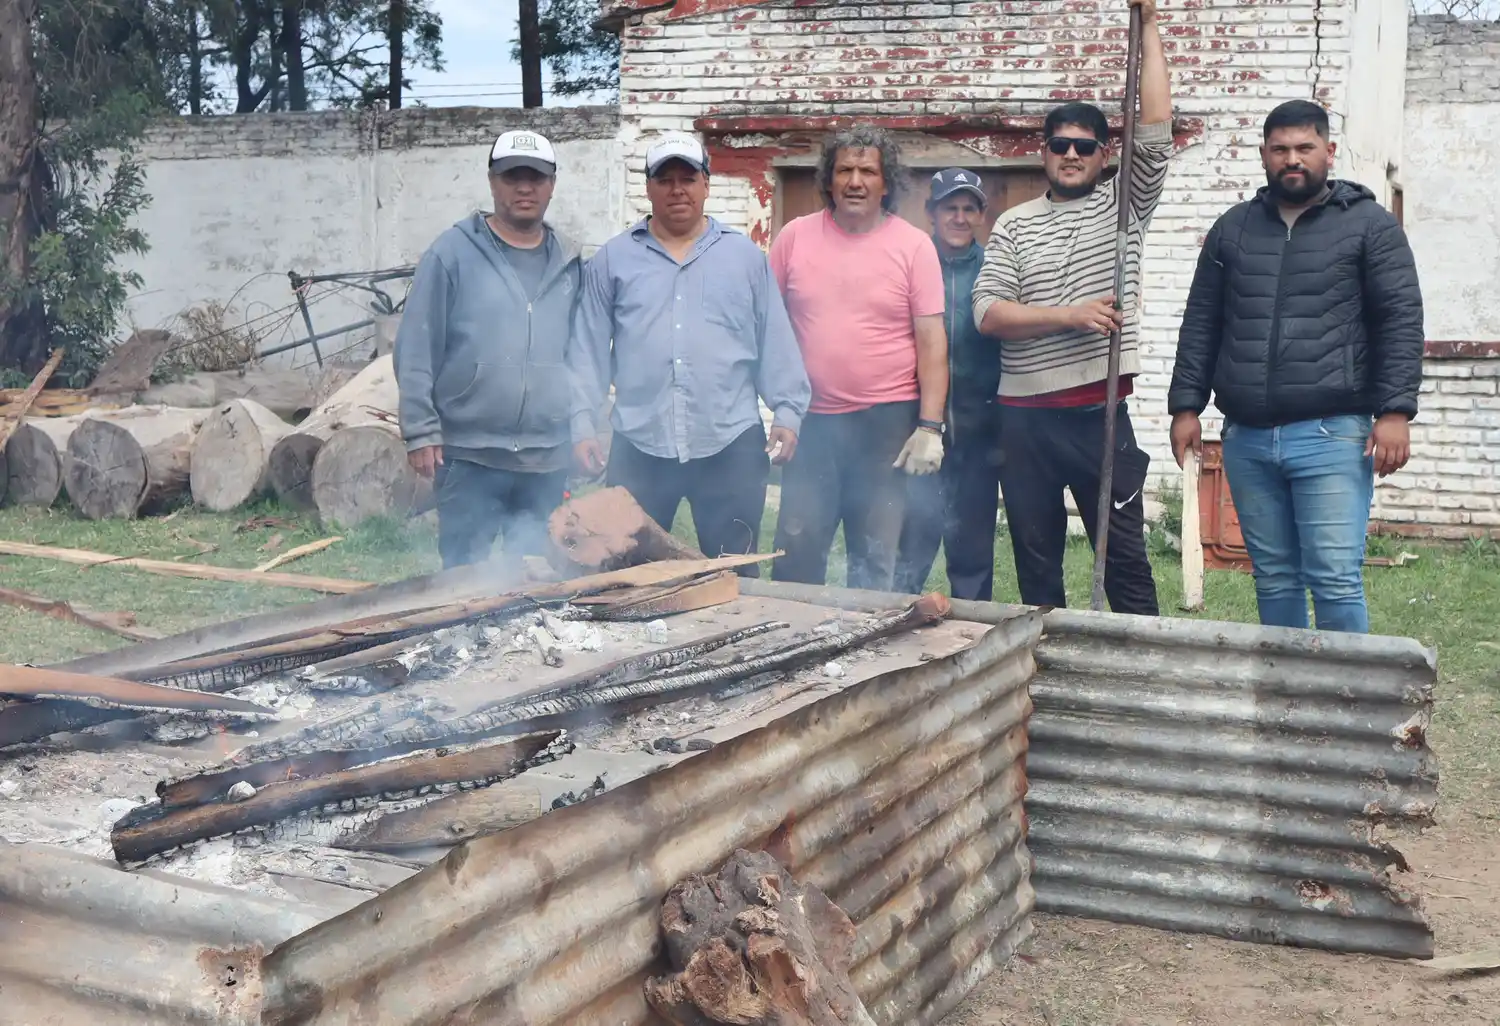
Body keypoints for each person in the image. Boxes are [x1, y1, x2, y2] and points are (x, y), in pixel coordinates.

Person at [1167, 100, 1424, 634]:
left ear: (1329, 152)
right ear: (1263, 154)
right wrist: (1186, 407)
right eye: (1280, 149)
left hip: (1332, 433)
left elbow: (1399, 319)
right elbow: (1201, 323)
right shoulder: (1232, 230)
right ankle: (1287, 703)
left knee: (1333, 577)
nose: (1293, 159)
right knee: (1274, 576)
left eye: (1305, 148)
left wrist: (1395, 409)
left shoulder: (1370, 226)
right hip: (1247, 438)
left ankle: (1347, 709)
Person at [971, 0, 1171, 615]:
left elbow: (1157, 127)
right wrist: (1069, 314)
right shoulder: (1014, 224)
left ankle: (1143, 675)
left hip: (1099, 418)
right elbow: (988, 313)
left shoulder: (1123, 208)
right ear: (1044, 151)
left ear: (1105, 155)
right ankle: (1046, 671)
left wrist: (1151, 24)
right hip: (1024, 421)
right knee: (1036, 558)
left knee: (1126, 559)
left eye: (1087, 145)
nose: (1073, 153)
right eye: (1061, 144)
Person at [568, 133, 810, 575]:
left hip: (728, 442)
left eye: (687, 178)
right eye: (665, 180)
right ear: (649, 188)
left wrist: (788, 410)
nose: (677, 189)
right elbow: (587, 349)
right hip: (640, 441)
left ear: (706, 185)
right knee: (627, 566)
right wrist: (582, 423)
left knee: (734, 568)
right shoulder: (613, 260)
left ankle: (739, 643)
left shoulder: (743, 258)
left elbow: (773, 337)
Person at [769, 126, 950, 592]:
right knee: (796, 554)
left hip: (885, 428)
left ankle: (866, 658)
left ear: (885, 182)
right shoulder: (793, 238)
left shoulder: (913, 246)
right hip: (812, 424)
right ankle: (789, 648)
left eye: (867, 170)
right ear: (828, 180)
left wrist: (930, 428)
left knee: (874, 561)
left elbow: (932, 341)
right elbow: (770, 329)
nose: (855, 181)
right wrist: (781, 409)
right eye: (844, 169)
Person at [395, 129, 584, 569]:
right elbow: (417, 345)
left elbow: (584, 354)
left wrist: (584, 425)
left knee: (542, 580)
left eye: (535, 177)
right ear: (492, 181)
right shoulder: (451, 254)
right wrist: (421, 429)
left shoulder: (570, 262)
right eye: (511, 176)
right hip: (469, 456)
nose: (524, 187)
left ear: (551, 184)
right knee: (464, 580)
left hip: (546, 457)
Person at [894, 169, 1003, 599]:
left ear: (980, 216)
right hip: (918, 430)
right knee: (911, 543)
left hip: (980, 434)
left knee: (972, 549)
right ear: (931, 213)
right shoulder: (911, 265)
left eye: (968, 208)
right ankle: (892, 631)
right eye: (949, 208)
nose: (959, 217)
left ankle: (971, 639)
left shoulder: (995, 267)